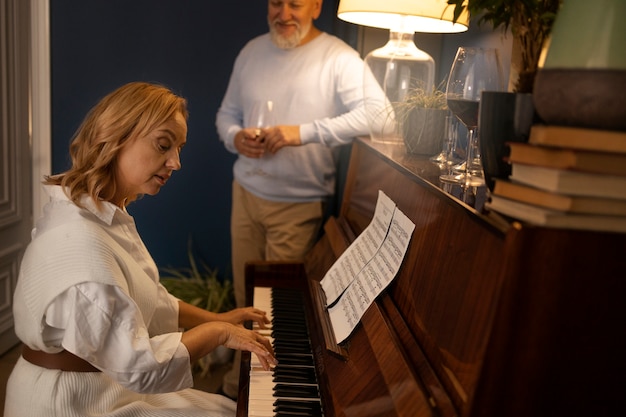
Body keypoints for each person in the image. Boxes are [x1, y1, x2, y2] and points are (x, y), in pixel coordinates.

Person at [4, 81, 276, 417]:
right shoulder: (80, 244)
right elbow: (140, 365)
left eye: (178, 148)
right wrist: (218, 333)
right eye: (163, 145)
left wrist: (218, 318)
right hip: (69, 401)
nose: (175, 162)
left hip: (104, 385)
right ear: (115, 136)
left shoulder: (100, 213)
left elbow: (149, 299)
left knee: (225, 409)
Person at [215, 0, 385, 399]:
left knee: (275, 312)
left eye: (295, 2)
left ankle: (257, 393)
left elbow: (381, 116)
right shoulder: (252, 51)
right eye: (276, 2)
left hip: (298, 205)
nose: (284, 12)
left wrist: (303, 132)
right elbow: (226, 113)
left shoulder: (338, 58)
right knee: (245, 302)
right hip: (245, 193)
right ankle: (241, 388)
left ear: (316, 6)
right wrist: (234, 137)